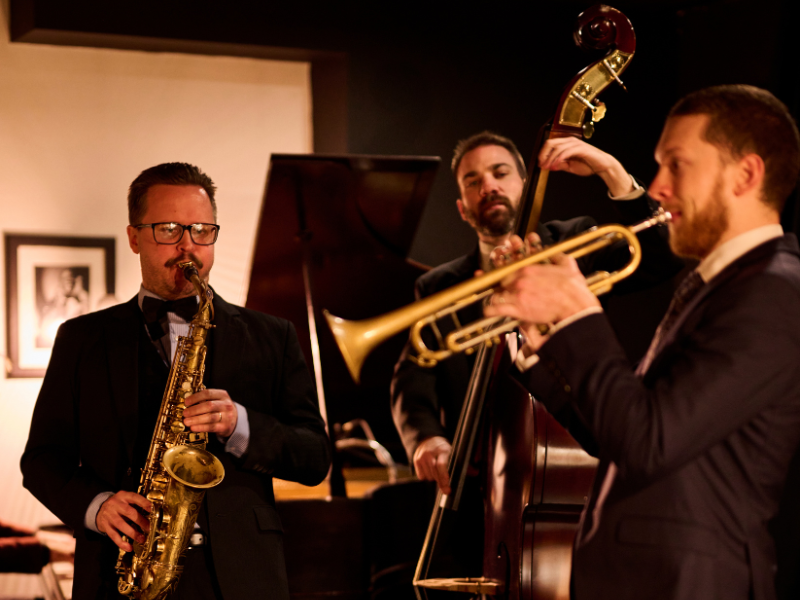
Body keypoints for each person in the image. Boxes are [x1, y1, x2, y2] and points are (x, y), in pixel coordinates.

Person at [486, 85, 800, 600]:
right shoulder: (717, 284)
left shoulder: (773, 291)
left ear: (747, 174)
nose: (656, 187)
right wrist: (539, 341)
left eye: (676, 165)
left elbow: (647, 441)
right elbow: (619, 435)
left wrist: (577, 313)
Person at [21, 163, 332, 600]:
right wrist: (97, 507)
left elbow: (314, 457)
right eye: (168, 229)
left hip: (244, 579)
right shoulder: (82, 338)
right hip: (122, 569)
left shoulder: (272, 335)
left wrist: (240, 423)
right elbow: (40, 461)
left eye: (201, 230)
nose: (188, 246)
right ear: (134, 237)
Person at [390, 131, 676, 494]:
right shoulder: (437, 285)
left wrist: (612, 171)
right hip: (472, 480)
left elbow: (661, 258)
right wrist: (427, 439)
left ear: (525, 186)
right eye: (472, 180)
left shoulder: (573, 241)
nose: (488, 186)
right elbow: (412, 377)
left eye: (500, 172)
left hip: (568, 454)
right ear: (461, 207)